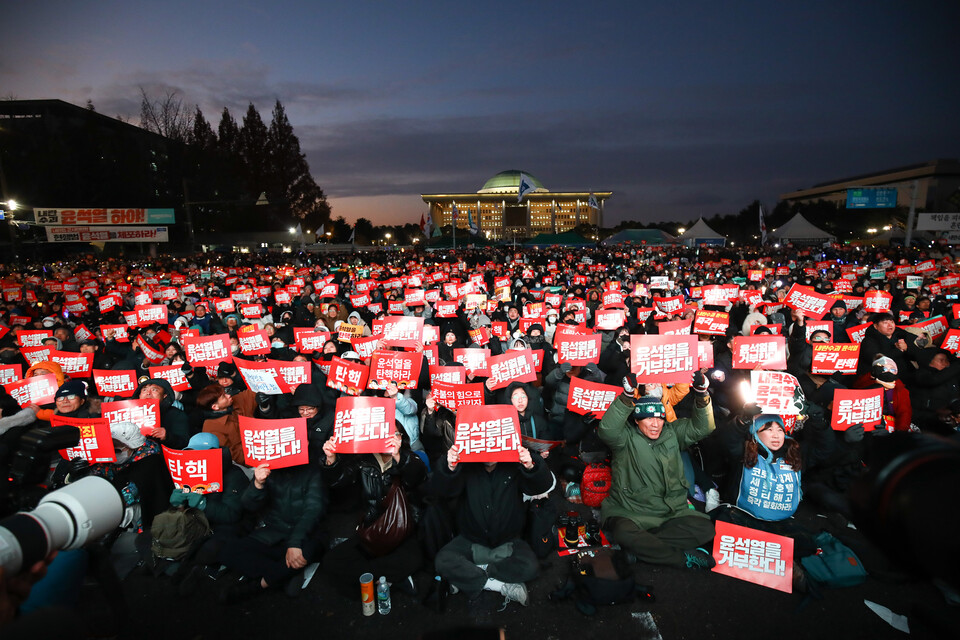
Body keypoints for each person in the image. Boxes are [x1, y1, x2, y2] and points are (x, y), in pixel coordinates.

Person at [598, 373, 717, 569]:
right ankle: (682, 559)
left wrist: (702, 394)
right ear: (636, 420)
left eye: (660, 418)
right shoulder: (624, 439)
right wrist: (627, 396)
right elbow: (607, 429)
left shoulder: (672, 432)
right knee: (623, 531)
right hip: (631, 512)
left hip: (671, 512)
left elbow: (703, 428)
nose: (655, 424)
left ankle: (642, 549)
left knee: (705, 528)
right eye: (648, 419)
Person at [429, 443, 552, 607]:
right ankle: (499, 585)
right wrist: (449, 467)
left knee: (530, 566)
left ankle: (469, 574)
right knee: (442, 561)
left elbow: (542, 485)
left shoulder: (514, 465)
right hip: (471, 539)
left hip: (507, 540)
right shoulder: (464, 466)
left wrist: (530, 466)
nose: (489, 450)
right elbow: (442, 491)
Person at [320, 431, 427, 597]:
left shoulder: (409, 458)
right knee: (331, 562)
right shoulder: (363, 461)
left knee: (415, 558)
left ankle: (369, 577)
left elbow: (418, 476)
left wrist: (398, 456)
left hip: (403, 530)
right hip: (373, 530)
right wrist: (331, 460)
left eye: (395, 434)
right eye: (384, 433)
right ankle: (388, 579)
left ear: (401, 438)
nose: (389, 438)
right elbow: (339, 481)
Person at [218, 462, 327, 603]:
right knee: (227, 551)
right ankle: (284, 575)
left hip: (306, 534)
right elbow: (248, 506)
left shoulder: (314, 471)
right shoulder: (268, 468)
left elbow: (313, 510)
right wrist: (257, 484)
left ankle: (258, 585)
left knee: (309, 551)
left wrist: (295, 543)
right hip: (274, 532)